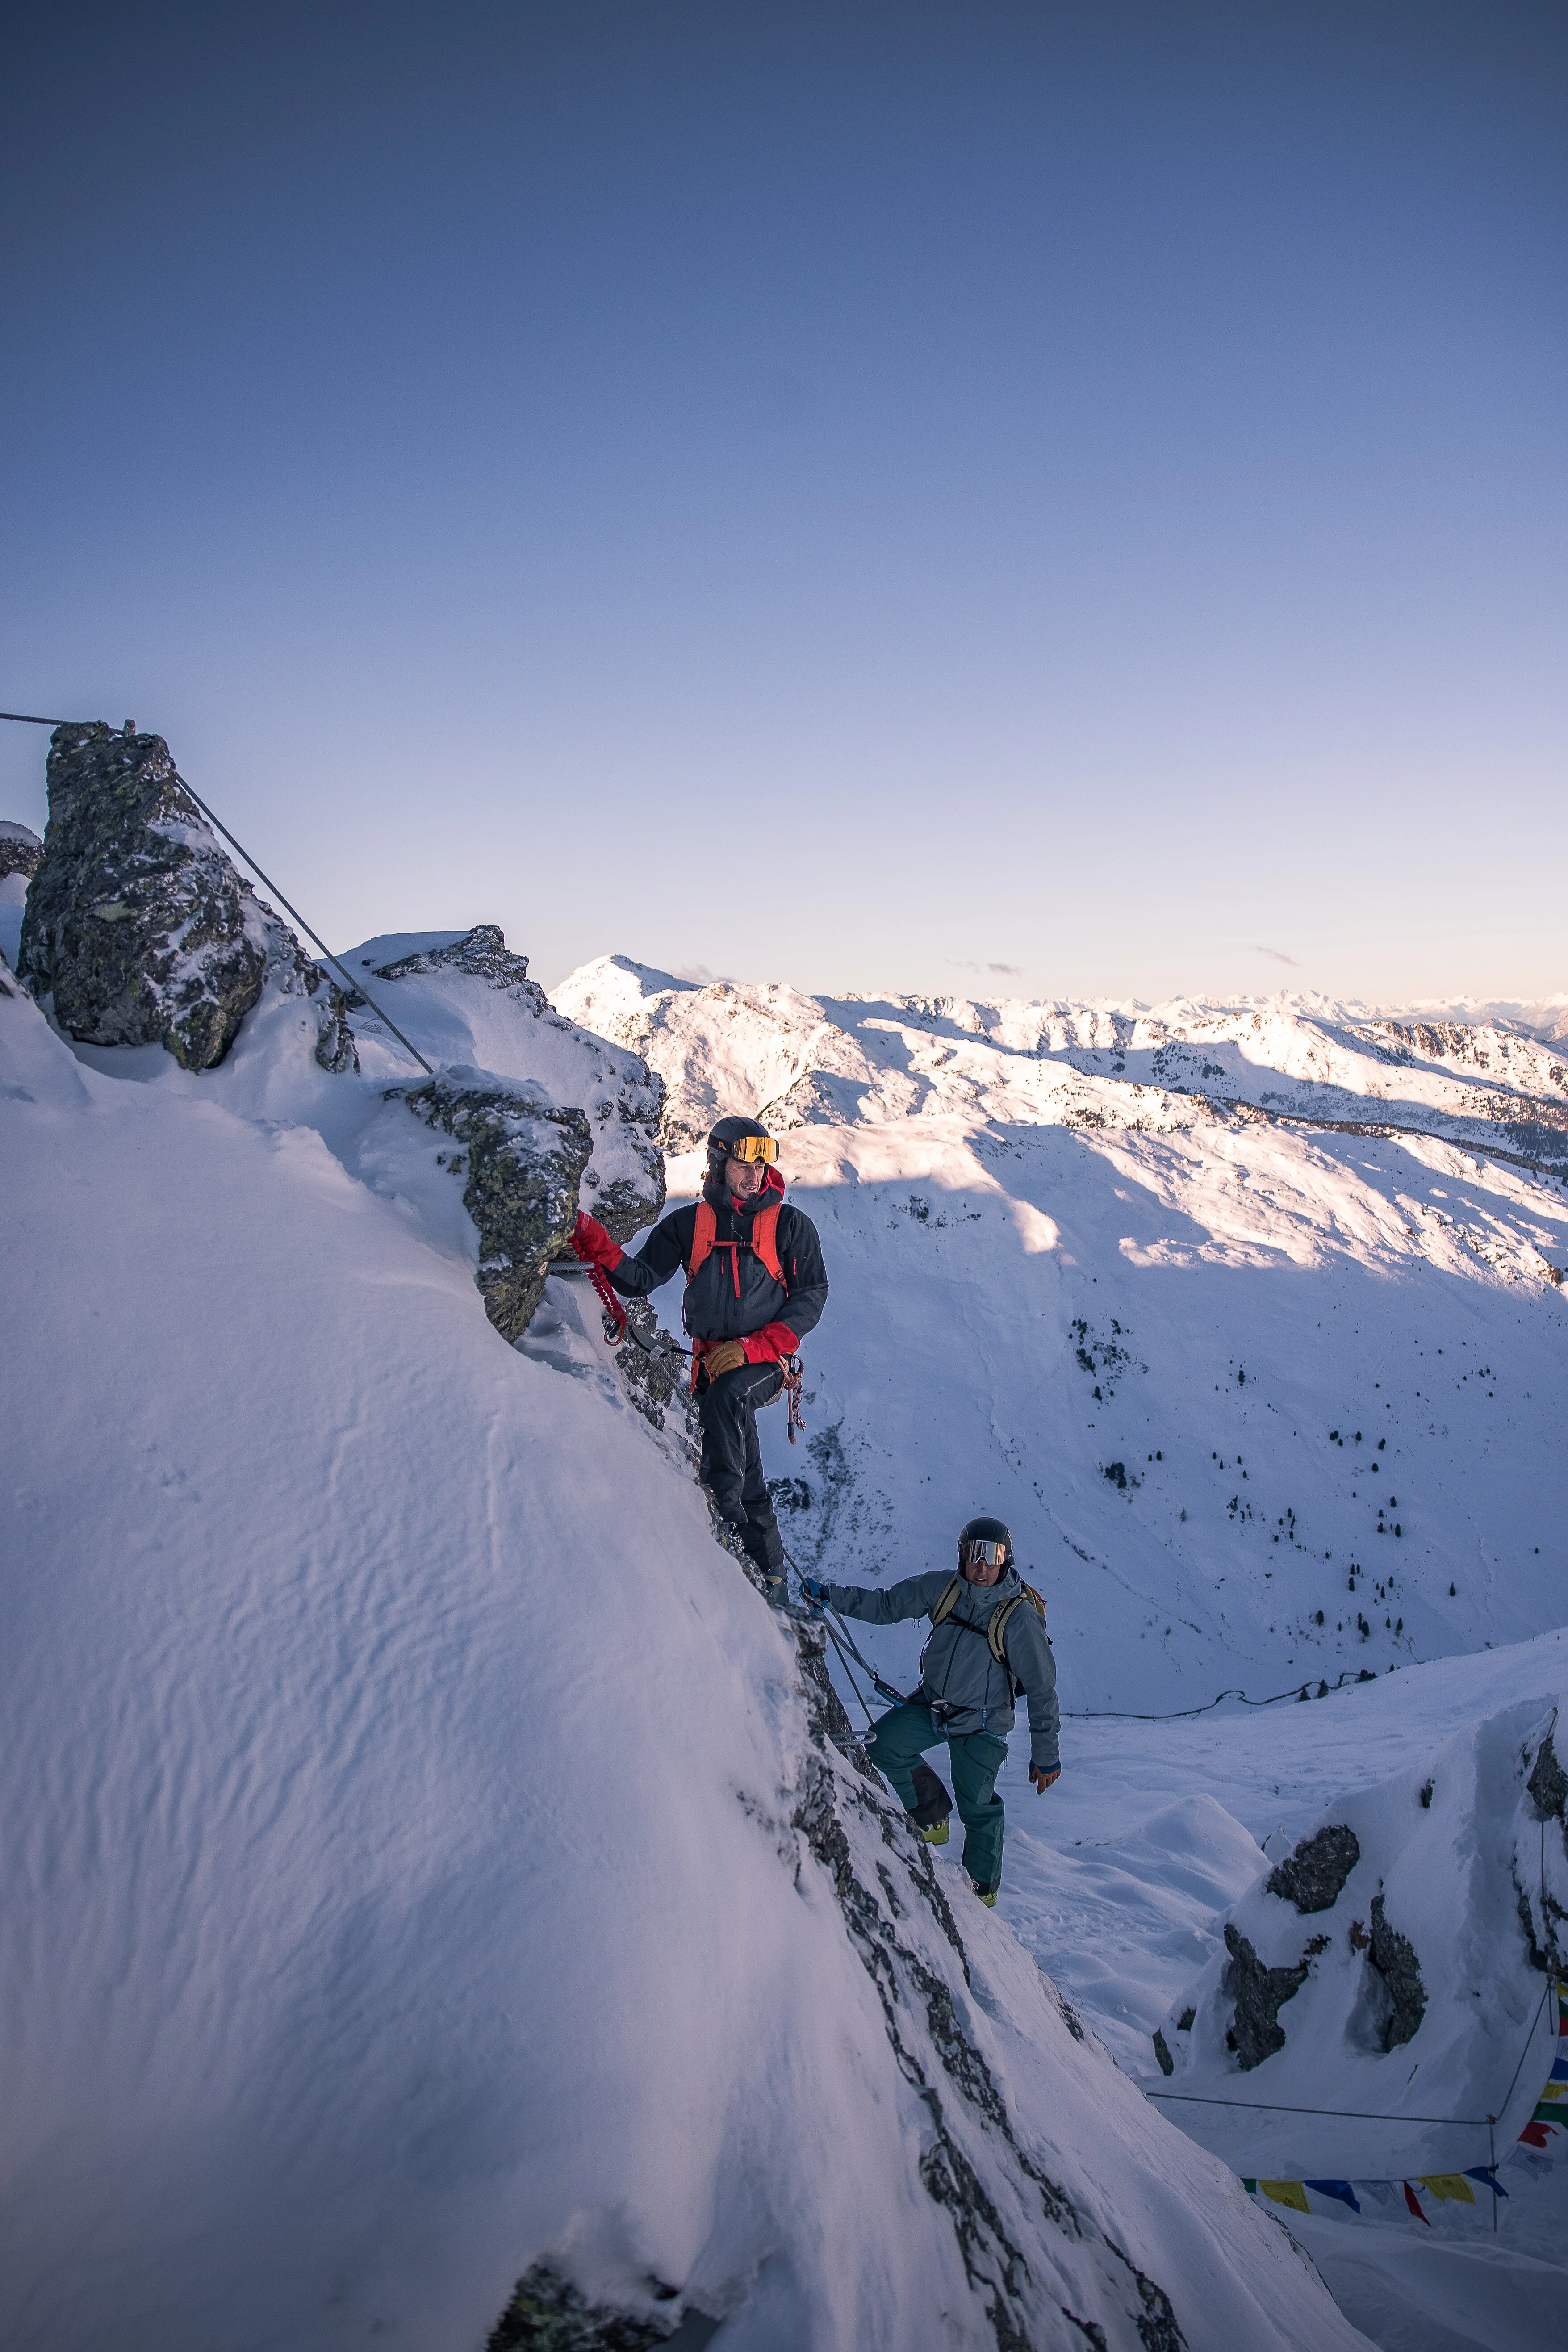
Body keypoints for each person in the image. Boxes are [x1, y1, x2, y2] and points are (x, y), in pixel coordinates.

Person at [572, 1116, 828, 1605]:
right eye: (742, 1164)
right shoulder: (691, 1225)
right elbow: (639, 1278)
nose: (754, 1175)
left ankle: (720, 1514)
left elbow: (810, 1296)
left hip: (765, 1363)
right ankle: (770, 1566)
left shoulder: (791, 1226)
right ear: (718, 1163)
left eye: (760, 1165)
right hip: (712, 1363)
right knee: (743, 1450)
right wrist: (593, 1240)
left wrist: (755, 1348)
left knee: (730, 1403)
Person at [800, 1516, 1059, 1905]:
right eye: (975, 1554)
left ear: (1006, 1560)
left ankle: (981, 1892)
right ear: (962, 1554)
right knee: (883, 1745)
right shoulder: (944, 1589)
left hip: (982, 1726)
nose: (983, 1565)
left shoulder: (1018, 1617)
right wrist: (832, 1597)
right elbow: (886, 1605)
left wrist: (1047, 1757)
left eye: (993, 1556)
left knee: (978, 1810)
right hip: (933, 1705)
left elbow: (1042, 1689)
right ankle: (932, 1817)